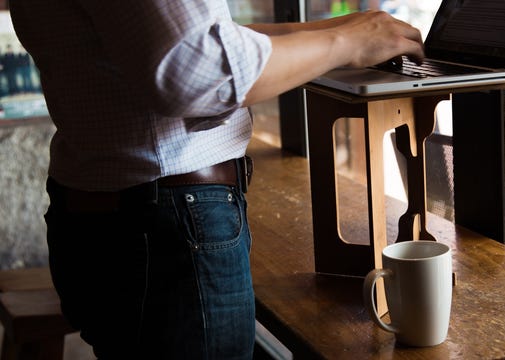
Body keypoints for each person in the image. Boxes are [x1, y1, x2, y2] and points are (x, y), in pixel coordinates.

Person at [9, 1, 423, 359]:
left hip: (103, 215)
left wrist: (335, 29)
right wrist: (345, 43)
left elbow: (202, 40)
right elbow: (196, 71)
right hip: (164, 226)